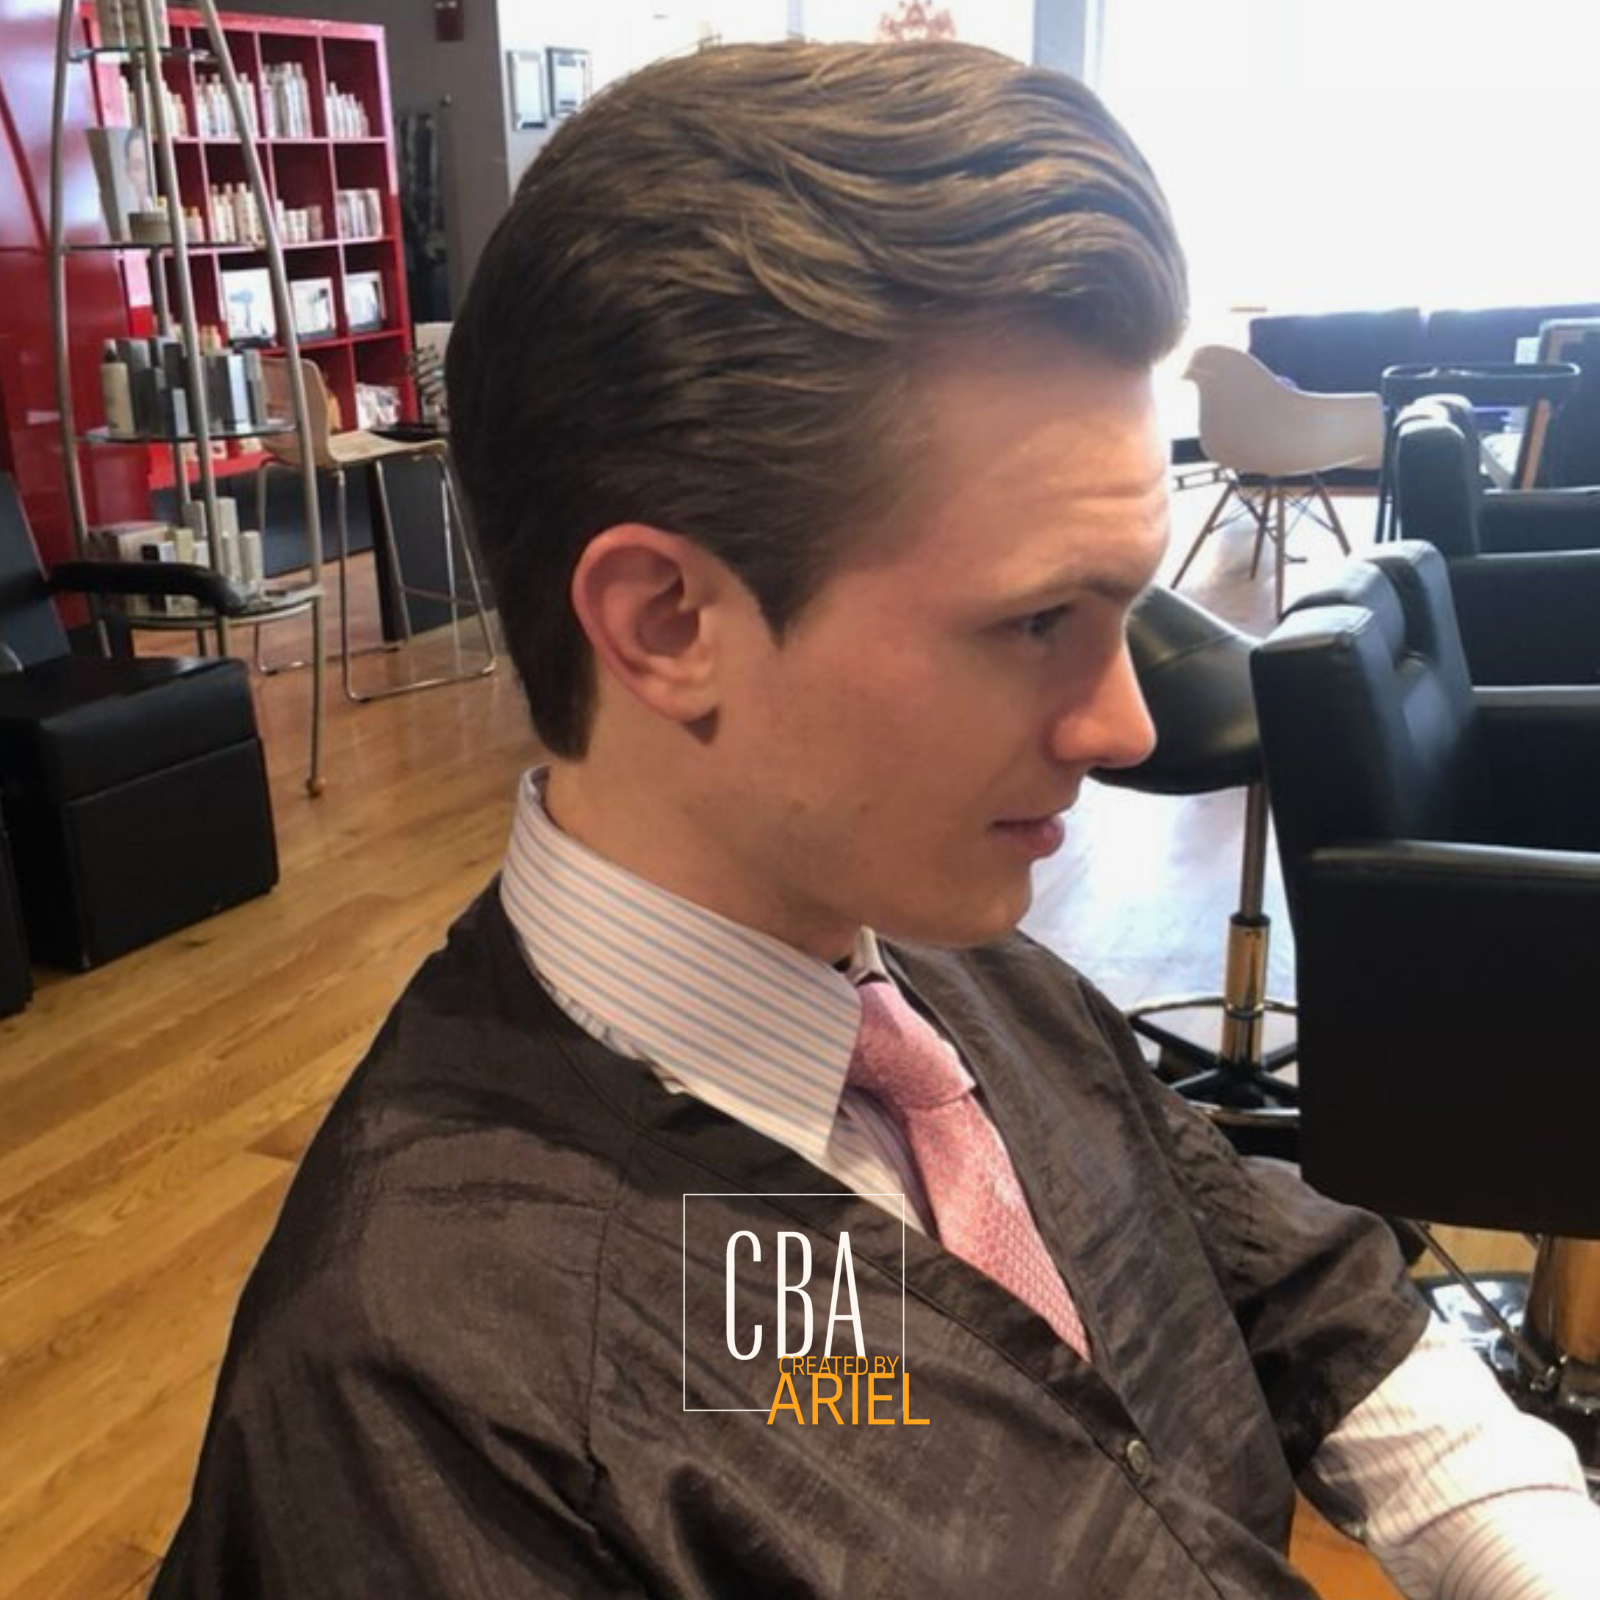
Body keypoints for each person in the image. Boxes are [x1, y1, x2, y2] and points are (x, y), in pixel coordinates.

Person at [150, 41, 1598, 1599]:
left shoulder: (933, 968)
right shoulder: (437, 1408)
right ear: (666, 621)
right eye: (1038, 618)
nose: (1122, 724)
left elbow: (1281, 1274)